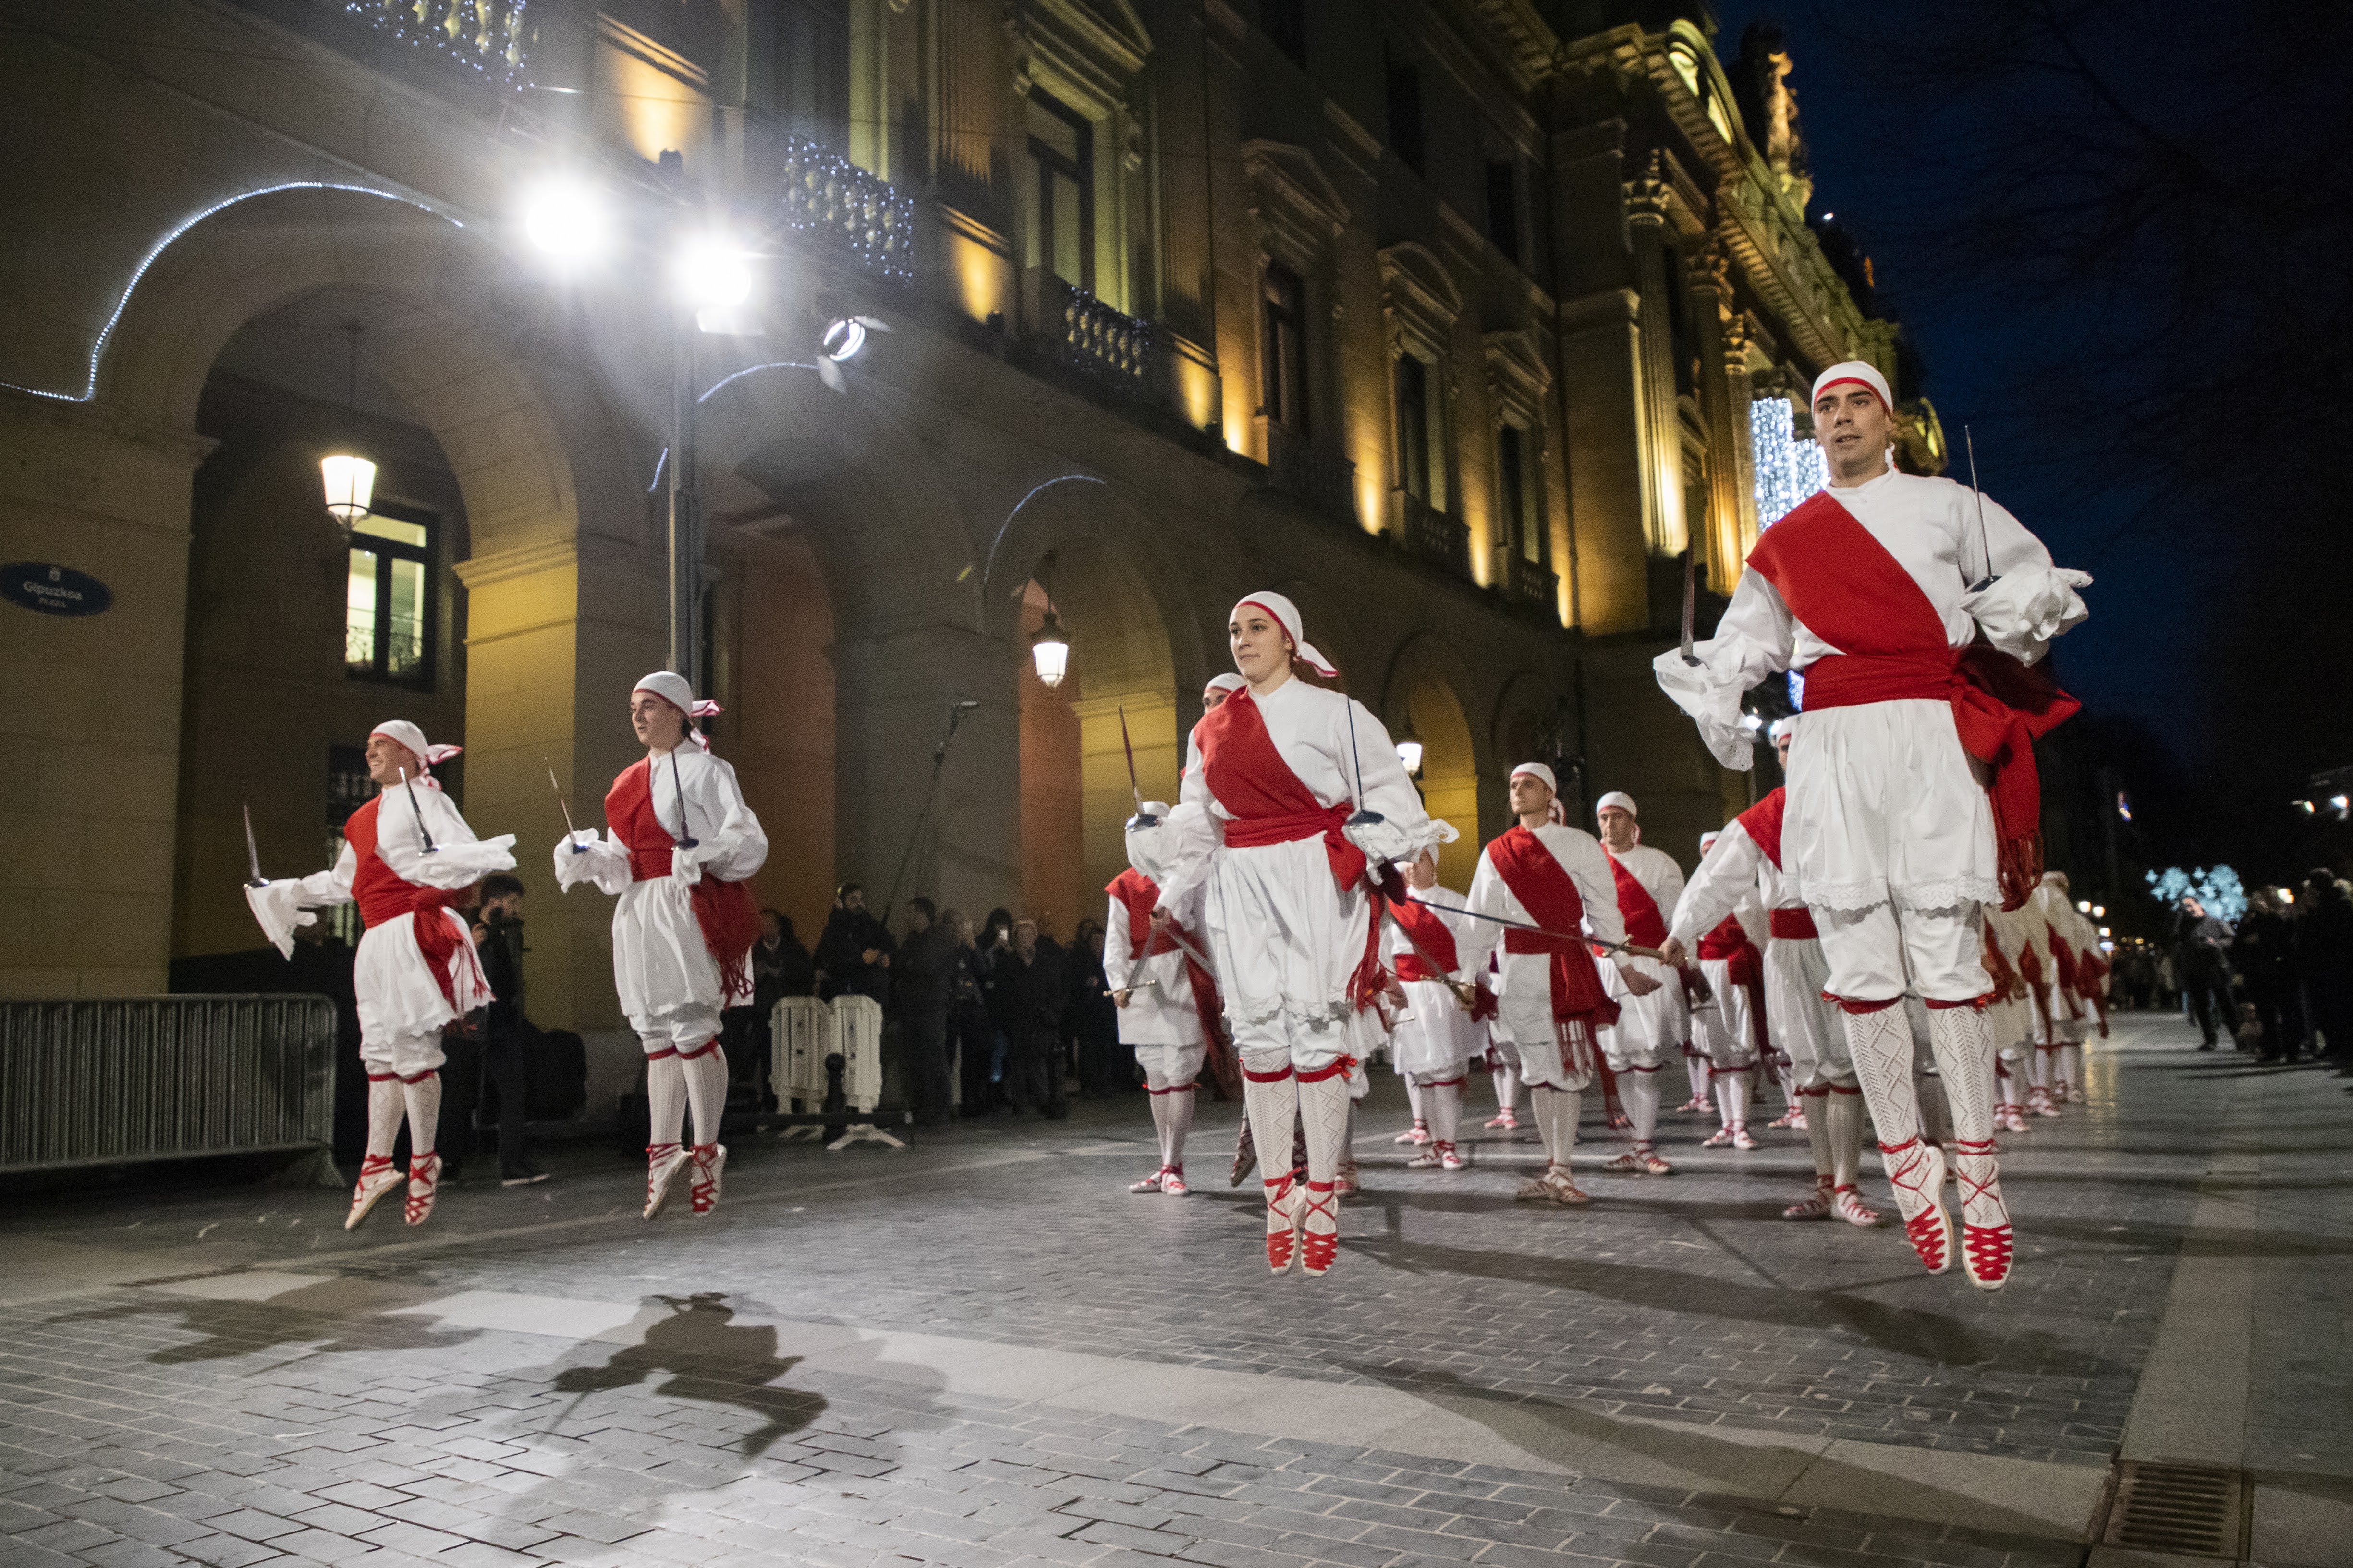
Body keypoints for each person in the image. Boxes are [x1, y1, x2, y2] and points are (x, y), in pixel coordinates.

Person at [1653, 358, 2091, 1292]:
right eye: (1826, 407)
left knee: (1945, 962)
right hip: (1832, 744)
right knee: (1858, 964)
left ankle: (1978, 1176)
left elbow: (2026, 577)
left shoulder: (1947, 505)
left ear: (1888, 422)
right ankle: (1903, 1162)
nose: (1842, 418)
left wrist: (2007, 610)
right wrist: (1713, 675)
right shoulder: (1785, 538)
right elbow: (1750, 641)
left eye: (1859, 403)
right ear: (1814, 428)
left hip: (1928, 734)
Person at [1156, 592, 1447, 1276]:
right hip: (1239, 881)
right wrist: (1166, 867)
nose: (1242, 639)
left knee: (1316, 1034)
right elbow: (1199, 820)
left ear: (1289, 638)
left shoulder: (1336, 713)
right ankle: (1276, 1193)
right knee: (1259, 1038)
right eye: (1234, 630)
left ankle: (1321, 1193)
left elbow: (1388, 792)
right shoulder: (1208, 730)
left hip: (1314, 876)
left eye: (1256, 628)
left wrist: (1374, 843)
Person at [247, 721, 516, 1228]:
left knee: (414, 1051)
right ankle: (375, 1163)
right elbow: (342, 882)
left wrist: (441, 870)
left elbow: (465, 856)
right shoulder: (362, 817)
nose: (371, 752)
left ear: (411, 755)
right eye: (369, 745)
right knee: (379, 1054)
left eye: (382, 745)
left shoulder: (428, 799)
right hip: (375, 942)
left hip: (410, 932)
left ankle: (424, 1159)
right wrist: (288, 890)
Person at [553, 673, 768, 1219]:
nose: (637, 716)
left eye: (648, 706)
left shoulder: (710, 771)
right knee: (654, 1033)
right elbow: (622, 862)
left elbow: (748, 839)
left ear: (678, 712)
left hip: (685, 904)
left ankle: (707, 1148)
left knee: (692, 1026)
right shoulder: (626, 781)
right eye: (633, 707)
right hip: (640, 910)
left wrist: (704, 851)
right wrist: (589, 857)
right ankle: (664, 1148)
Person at [1660, 729, 1878, 1228]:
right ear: (1777, 756)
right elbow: (1717, 878)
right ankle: (1825, 1184)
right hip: (1790, 952)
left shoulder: (1853, 801)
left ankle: (1848, 1188)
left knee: (1843, 1065)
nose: (1793, 752)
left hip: (1843, 945)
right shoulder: (1763, 816)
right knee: (1810, 1069)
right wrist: (1682, 931)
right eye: (1783, 746)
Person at [1452, 763, 1634, 1205]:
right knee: (1536, 1071)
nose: (1517, 790)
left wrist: (1624, 964)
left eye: (1527, 784)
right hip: (1518, 971)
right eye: (1513, 785)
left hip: (1565, 968)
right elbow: (1477, 919)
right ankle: (1552, 1167)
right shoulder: (1496, 851)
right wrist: (1467, 975)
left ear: (1550, 794)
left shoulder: (1579, 843)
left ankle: (1563, 1169)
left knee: (1567, 1072)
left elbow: (1604, 910)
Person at [1106, 802, 1219, 1192]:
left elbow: (1203, 926)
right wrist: (1117, 983)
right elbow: (1115, 939)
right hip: (1143, 983)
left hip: (1182, 976)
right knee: (1155, 1070)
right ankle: (1167, 1162)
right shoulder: (1123, 885)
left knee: (1180, 1069)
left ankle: (1173, 1163)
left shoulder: (1188, 876)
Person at [1590, 791, 1689, 1175]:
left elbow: (1676, 917)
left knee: (1646, 1057)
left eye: (1617, 817)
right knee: (1619, 1058)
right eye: (1603, 818)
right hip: (1607, 970)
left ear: (1632, 822)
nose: (1609, 824)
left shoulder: (1659, 862)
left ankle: (1644, 1144)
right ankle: (1635, 1145)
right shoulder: (1589, 862)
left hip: (1648, 965)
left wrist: (1686, 957)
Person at [1385, 845, 1487, 1173]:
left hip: (1444, 994)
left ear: (1434, 864)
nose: (1413, 867)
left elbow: (1474, 947)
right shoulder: (1391, 905)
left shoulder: (1455, 902)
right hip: (1409, 997)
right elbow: (1383, 952)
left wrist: (1470, 981)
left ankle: (1449, 1146)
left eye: (1420, 860)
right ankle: (1434, 1145)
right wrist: (1388, 987)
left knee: (1445, 1072)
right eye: (1407, 862)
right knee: (1423, 1073)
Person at [1684, 830, 1768, 1151]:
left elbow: (1762, 939)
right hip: (1706, 976)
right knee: (1717, 1053)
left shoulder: (1750, 894)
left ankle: (1741, 1126)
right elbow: (1686, 938)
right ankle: (1726, 1125)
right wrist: (1693, 970)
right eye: (1706, 852)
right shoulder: (1694, 893)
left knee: (1739, 1051)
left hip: (1737, 977)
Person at [462, 873, 544, 1187]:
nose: (516, 908)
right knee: (502, 1092)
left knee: (514, 1091)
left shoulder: (503, 933)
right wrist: (471, 947)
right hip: (484, 1023)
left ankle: (513, 1161)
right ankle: (508, 1165)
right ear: (494, 902)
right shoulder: (473, 933)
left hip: (502, 1021)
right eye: (512, 902)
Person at [893, 898, 956, 1124]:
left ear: (923, 914)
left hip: (931, 1007)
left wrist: (909, 965)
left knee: (933, 1055)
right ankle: (925, 1105)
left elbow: (925, 965)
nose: (908, 918)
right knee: (917, 1058)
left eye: (911, 913)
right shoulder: (912, 940)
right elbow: (901, 966)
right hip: (913, 1007)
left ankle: (941, 1106)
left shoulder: (938, 938)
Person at [994, 919, 1066, 1117]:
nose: (1025, 939)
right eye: (1021, 935)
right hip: (1018, 1018)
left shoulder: (1046, 962)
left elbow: (1055, 990)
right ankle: (1020, 1100)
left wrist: (1051, 1013)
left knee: (1039, 1059)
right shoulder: (1008, 963)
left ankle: (1043, 1100)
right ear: (1016, 938)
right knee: (1018, 1061)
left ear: (1035, 937)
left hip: (1041, 1018)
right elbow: (1003, 993)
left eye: (1029, 935)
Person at [2232, 887, 2299, 1063]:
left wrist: (2262, 935)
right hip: (2258, 972)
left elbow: (2284, 940)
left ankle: (2291, 1050)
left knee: (2287, 1012)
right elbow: (2239, 943)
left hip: (2281, 971)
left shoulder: (2282, 916)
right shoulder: (2252, 920)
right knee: (2266, 1014)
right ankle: (2272, 1050)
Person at [2296, 869, 2353, 1058]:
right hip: (2321, 965)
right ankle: (2334, 1044)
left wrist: (2310, 914)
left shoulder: (2338, 904)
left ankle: (2343, 1046)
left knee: (2337, 1007)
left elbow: (2326, 935)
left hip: (2333, 965)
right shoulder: (2328, 904)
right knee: (2325, 1009)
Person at [816, 883, 894, 1004]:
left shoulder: (870, 925)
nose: (859, 904)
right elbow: (831, 960)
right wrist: (861, 960)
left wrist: (884, 956)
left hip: (866, 996)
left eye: (861, 899)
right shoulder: (834, 930)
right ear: (841, 903)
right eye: (853, 899)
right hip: (840, 995)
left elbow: (888, 943)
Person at [2174, 896, 2235, 1050]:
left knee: (2227, 1004)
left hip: (2216, 969)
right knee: (2202, 1007)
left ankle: (2238, 1036)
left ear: (2198, 905)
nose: (2188, 910)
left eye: (2190, 906)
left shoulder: (2216, 922)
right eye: (2184, 908)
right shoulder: (2183, 926)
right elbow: (2179, 945)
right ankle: (2210, 1040)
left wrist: (2216, 943)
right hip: (2195, 970)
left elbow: (2232, 939)